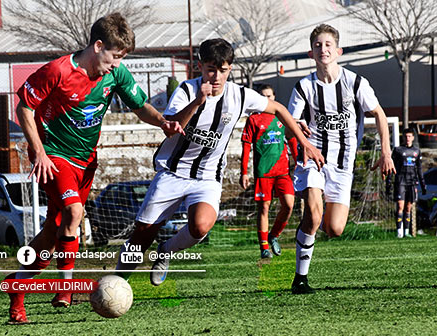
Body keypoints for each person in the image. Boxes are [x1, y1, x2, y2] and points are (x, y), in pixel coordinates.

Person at [5, 13, 183, 324]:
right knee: (75, 213)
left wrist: (163, 123)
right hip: (55, 157)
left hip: (86, 162)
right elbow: (24, 106)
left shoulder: (115, 74)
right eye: (114, 56)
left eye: (121, 58)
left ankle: (16, 289)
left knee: (52, 233)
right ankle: (66, 288)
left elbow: (140, 106)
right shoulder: (58, 70)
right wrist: (39, 151)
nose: (117, 63)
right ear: (98, 45)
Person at [115, 38, 324, 286]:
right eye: (210, 69)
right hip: (173, 172)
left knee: (201, 225)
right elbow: (170, 129)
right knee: (142, 235)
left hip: (207, 177)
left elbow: (278, 108)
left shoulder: (239, 95)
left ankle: (166, 251)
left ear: (230, 70)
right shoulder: (186, 90)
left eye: (222, 70)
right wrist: (197, 103)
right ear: (200, 67)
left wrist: (305, 143)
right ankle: (117, 282)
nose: (216, 76)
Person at [287, 24, 396, 294]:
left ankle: (307, 232)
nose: (322, 50)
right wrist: (298, 128)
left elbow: (379, 114)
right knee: (313, 214)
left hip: (343, 164)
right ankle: (300, 279)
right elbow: (291, 121)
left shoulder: (354, 82)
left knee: (334, 228)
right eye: (317, 46)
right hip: (314, 158)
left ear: (338, 51)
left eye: (327, 45)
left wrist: (385, 152)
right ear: (311, 53)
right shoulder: (303, 86)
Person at [239, 84, 298, 259]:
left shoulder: (281, 116)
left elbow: (292, 137)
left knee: (288, 205)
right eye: (264, 96)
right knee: (264, 208)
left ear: (274, 97)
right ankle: (264, 246)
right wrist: (244, 172)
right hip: (263, 172)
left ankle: (274, 236)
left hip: (283, 172)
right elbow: (246, 147)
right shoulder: (253, 119)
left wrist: (299, 160)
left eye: (270, 96)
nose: (268, 100)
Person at [389, 128, 426, 238]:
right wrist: (389, 182)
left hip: (412, 182)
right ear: (403, 138)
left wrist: (423, 185)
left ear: (413, 138)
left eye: (410, 136)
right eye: (406, 136)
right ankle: (399, 232)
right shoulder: (398, 150)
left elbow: (419, 168)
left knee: (408, 207)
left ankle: (406, 231)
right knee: (400, 205)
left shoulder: (416, 151)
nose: (407, 138)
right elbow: (392, 167)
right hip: (400, 181)